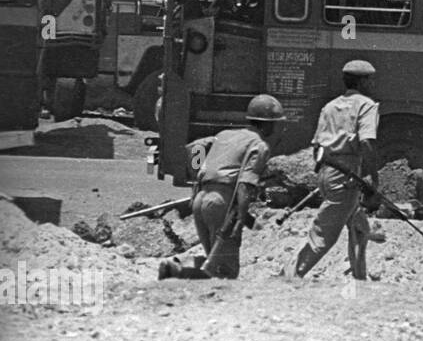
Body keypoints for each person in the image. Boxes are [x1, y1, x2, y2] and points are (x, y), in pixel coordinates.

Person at [158, 94, 286, 280]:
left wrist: (198, 177)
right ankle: (176, 270)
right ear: (267, 124)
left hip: (200, 200)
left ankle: (176, 269)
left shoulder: (224, 135)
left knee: (215, 264)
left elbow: (196, 147)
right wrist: (241, 222)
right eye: (275, 124)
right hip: (220, 205)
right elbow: (244, 185)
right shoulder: (260, 146)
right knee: (226, 271)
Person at [293, 59, 380, 282]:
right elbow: (367, 143)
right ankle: (292, 274)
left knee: (359, 225)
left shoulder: (329, 106)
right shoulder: (367, 105)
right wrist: (373, 178)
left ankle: (359, 277)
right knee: (324, 234)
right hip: (347, 173)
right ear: (362, 82)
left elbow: (316, 145)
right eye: (370, 79)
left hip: (327, 170)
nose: (373, 84)